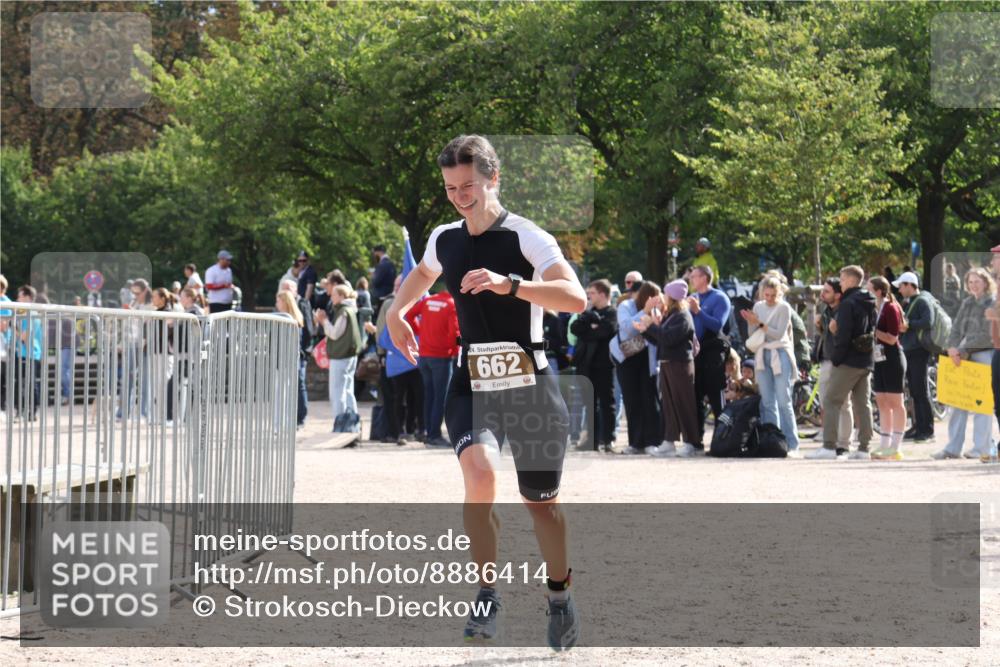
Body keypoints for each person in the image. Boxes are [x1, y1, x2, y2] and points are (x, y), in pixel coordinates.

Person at [386, 134, 585, 650]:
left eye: (469, 185)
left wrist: (510, 285)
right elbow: (421, 276)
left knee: (541, 504)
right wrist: (395, 311)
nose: (460, 195)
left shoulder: (526, 237)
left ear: (493, 179)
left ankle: (560, 593)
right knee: (478, 476)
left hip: (531, 388)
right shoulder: (444, 238)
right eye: (451, 187)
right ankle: (487, 593)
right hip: (472, 383)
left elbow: (575, 298)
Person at [809, 266, 875, 460]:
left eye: (842, 279)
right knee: (862, 404)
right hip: (866, 358)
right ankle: (864, 448)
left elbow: (843, 334)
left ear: (850, 280)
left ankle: (829, 446)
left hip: (848, 360)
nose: (841, 282)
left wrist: (836, 358)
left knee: (831, 400)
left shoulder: (847, 303)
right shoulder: (869, 300)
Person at [932, 268, 996, 460]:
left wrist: (962, 348)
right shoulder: (967, 302)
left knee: (981, 404)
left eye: (977, 281)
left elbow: (987, 334)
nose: (973, 285)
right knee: (956, 401)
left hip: (984, 353)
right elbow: (957, 327)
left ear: (985, 282)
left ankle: (981, 448)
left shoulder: (993, 302)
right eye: (970, 282)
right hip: (963, 353)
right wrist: (952, 346)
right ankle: (953, 447)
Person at [636, 279, 700, 457]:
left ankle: (690, 443)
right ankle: (669, 441)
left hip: (680, 364)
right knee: (669, 404)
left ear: (672, 297)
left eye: (666, 293)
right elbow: (660, 339)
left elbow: (669, 338)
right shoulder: (672, 314)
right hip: (667, 363)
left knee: (683, 403)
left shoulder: (683, 316)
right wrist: (645, 330)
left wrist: (651, 326)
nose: (663, 296)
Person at [742, 275, 801, 456]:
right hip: (762, 353)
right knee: (767, 401)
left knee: (784, 400)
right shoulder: (758, 306)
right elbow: (752, 334)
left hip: (780, 352)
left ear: (779, 293)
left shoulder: (784, 307)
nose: (769, 299)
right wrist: (751, 322)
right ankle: (772, 441)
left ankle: (792, 444)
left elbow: (777, 334)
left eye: (773, 295)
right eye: (766, 295)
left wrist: (759, 323)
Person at [610, 280, 662, 455]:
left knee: (650, 399)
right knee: (632, 400)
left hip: (648, 359)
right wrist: (645, 311)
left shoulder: (658, 308)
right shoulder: (626, 305)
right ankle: (635, 443)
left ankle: (652, 441)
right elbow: (627, 329)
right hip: (627, 358)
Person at [407, 286, 460, 447]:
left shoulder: (428, 301)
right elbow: (454, 333)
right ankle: (434, 434)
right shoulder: (452, 304)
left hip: (424, 356)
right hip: (442, 357)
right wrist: (455, 349)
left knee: (429, 396)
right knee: (440, 397)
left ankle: (428, 432)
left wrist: (420, 332)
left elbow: (408, 316)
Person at [687, 265, 732, 451]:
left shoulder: (719, 298)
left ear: (705, 278)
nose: (691, 280)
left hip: (713, 352)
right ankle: (695, 440)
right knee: (695, 397)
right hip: (695, 353)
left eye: (694, 277)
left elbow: (716, 325)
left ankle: (721, 441)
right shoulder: (693, 298)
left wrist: (698, 311)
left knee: (716, 397)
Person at [570, 279, 618, 452]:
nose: (588, 296)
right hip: (585, 365)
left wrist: (590, 331)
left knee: (607, 403)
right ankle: (592, 440)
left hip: (604, 364)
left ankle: (608, 440)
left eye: (592, 293)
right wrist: (590, 322)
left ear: (603, 294)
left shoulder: (612, 312)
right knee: (589, 404)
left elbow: (607, 331)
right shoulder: (588, 311)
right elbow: (575, 328)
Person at [868, 277, 907, 461]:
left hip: (892, 357)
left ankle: (896, 446)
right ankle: (884, 444)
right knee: (881, 401)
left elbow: (892, 337)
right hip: (880, 358)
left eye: (868, 289)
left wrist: (873, 332)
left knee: (896, 402)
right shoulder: (874, 307)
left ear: (878, 291)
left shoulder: (891, 307)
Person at [814, 278, 854, 455]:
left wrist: (834, 330)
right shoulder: (826, 310)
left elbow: (845, 337)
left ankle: (844, 444)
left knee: (843, 403)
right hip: (825, 359)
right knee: (825, 402)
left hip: (840, 361)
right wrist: (821, 328)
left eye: (827, 291)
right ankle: (830, 442)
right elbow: (825, 335)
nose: (823, 294)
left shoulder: (844, 310)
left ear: (838, 295)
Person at [316, 284, 362, 433]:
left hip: (341, 356)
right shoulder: (351, 310)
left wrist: (323, 321)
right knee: (348, 390)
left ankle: (340, 424)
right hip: (349, 355)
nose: (331, 297)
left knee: (337, 392)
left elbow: (335, 334)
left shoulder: (343, 311)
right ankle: (352, 424)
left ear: (342, 296)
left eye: (334, 294)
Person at [895, 271, 935, 441]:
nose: (900, 290)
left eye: (902, 286)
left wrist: (909, 325)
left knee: (921, 390)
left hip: (919, 351)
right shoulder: (910, 301)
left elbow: (928, 321)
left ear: (910, 285)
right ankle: (918, 425)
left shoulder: (923, 300)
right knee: (914, 391)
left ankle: (927, 429)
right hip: (910, 350)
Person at [280, 279, 315, 428]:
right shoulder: (281, 305)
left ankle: (301, 416)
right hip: (288, 354)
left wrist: (305, 350)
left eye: (289, 288)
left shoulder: (302, 304)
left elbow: (308, 328)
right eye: (284, 288)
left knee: (299, 383)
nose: (286, 291)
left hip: (300, 352)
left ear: (295, 290)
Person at [13, 285, 43, 421]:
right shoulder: (23, 314)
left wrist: (13, 328)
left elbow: (24, 337)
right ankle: (23, 411)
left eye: (20, 296)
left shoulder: (32, 315)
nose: (18, 299)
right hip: (23, 354)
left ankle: (31, 412)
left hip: (31, 354)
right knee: (21, 383)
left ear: (29, 298)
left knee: (30, 384)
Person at [371, 244, 397, 317]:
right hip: (390, 295)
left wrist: (373, 277)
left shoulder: (382, 265)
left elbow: (376, 281)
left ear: (378, 253)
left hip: (380, 297)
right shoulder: (391, 264)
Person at [0, 274, 11, 415]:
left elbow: (3, 326)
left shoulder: (5, 302)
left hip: (2, 346)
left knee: (1, 378)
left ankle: (1, 408)